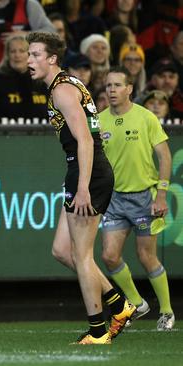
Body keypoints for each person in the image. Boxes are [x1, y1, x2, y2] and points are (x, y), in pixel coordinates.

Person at [26, 31, 135, 345]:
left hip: (88, 171)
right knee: (62, 250)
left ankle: (98, 332)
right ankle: (119, 304)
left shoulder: (61, 91)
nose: (29, 60)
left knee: (82, 255)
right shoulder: (69, 84)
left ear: (52, 59)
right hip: (85, 169)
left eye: (35, 55)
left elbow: (86, 140)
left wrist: (83, 187)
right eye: (29, 54)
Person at [99, 67, 175, 331]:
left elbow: (165, 156)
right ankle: (136, 302)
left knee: (146, 256)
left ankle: (166, 311)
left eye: (117, 85)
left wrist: (162, 194)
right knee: (109, 256)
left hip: (144, 197)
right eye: (108, 85)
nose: (111, 90)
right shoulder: (99, 121)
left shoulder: (146, 118)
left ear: (129, 89)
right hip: (115, 199)